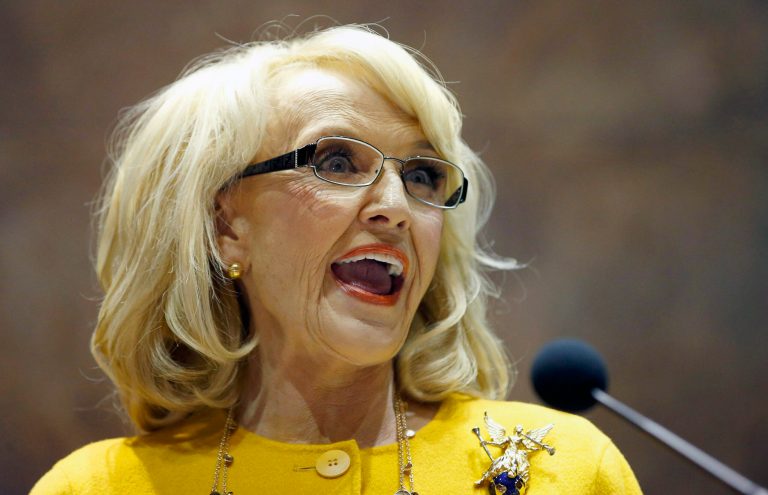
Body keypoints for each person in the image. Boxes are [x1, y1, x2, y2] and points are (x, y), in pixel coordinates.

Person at [32, 25, 642, 494]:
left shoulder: (560, 469)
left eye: (423, 174)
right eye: (336, 163)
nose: (396, 208)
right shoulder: (97, 486)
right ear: (224, 227)